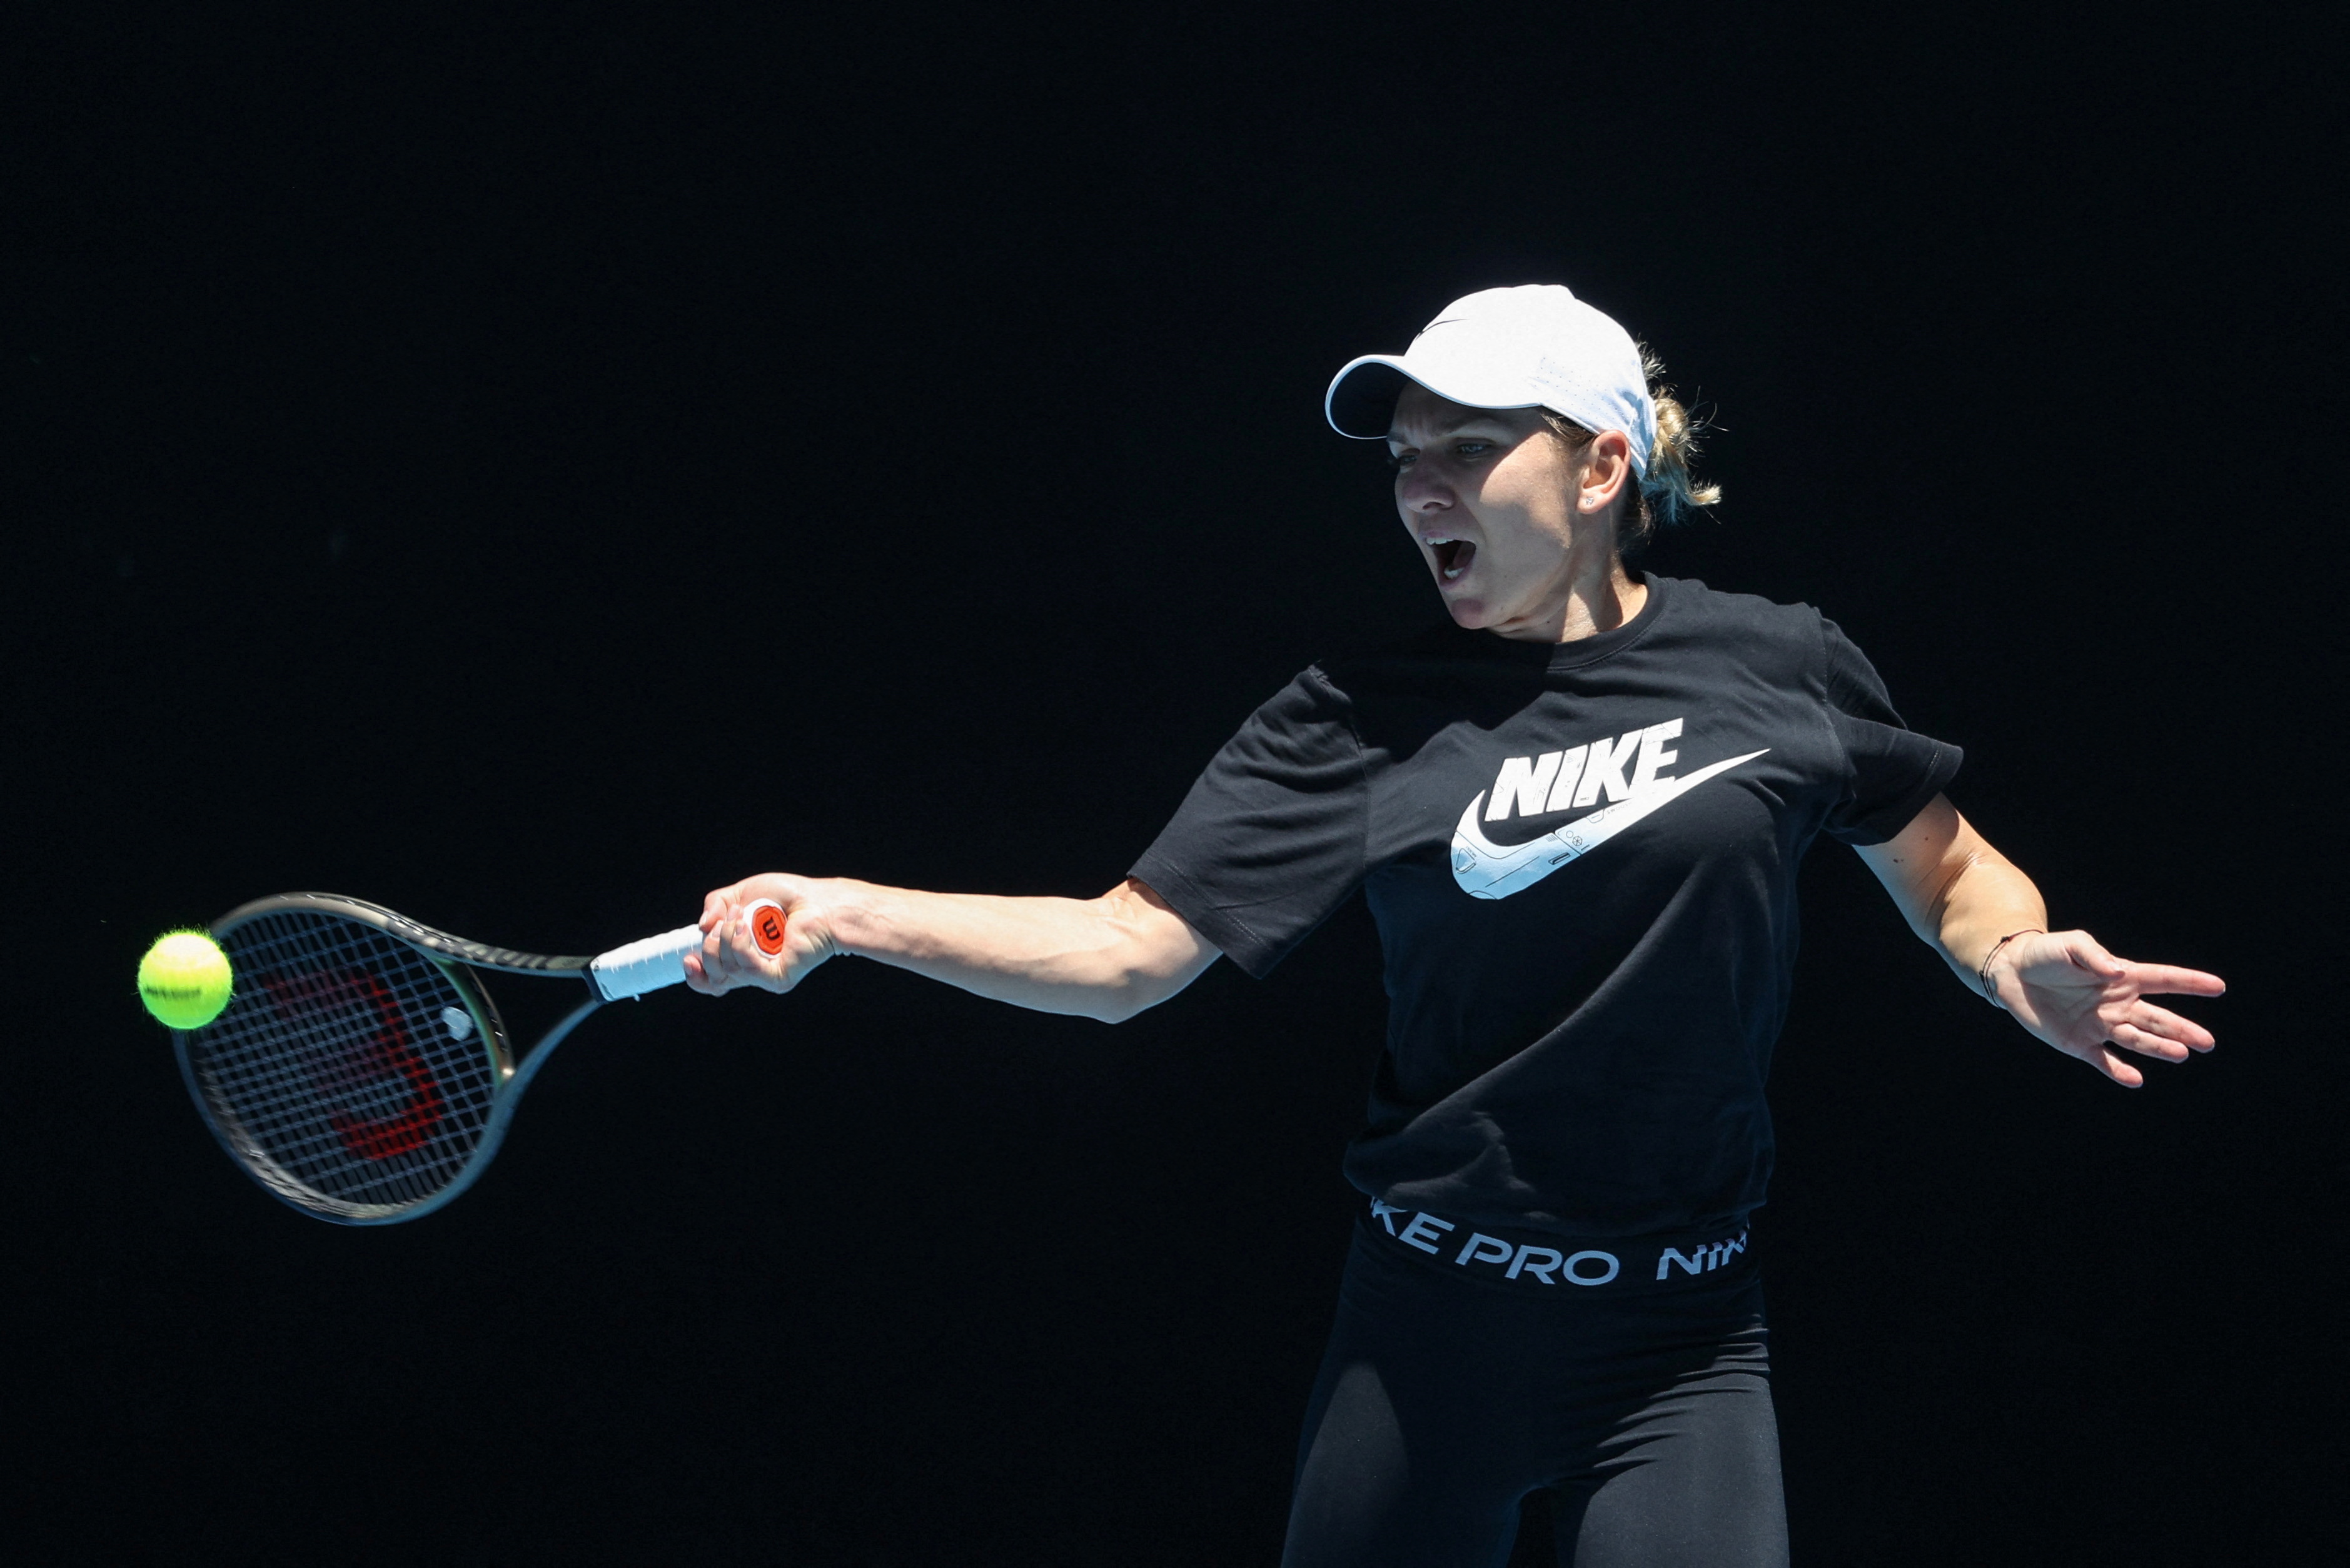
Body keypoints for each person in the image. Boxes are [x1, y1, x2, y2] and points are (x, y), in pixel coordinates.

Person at [681, 284, 2225, 1567]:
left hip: (1684, 1343)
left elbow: (1951, 872)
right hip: (1426, 1337)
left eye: (1472, 449)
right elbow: (1120, 959)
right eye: (1407, 456)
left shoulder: (1783, 668)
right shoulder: (1353, 721)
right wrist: (849, 911)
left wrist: (2015, 961)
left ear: (1603, 467)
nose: (1423, 487)